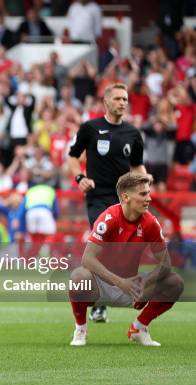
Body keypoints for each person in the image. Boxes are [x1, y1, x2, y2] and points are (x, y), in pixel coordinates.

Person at [69, 172, 184, 346]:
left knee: (175, 282)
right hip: (101, 286)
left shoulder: (151, 223)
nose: (149, 199)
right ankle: (81, 329)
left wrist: (144, 282)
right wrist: (120, 282)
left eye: (148, 193)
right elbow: (87, 259)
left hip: (132, 287)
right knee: (78, 277)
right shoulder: (108, 218)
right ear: (126, 197)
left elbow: (166, 264)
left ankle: (139, 328)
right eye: (143, 194)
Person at [67, 82, 149, 323]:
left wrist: (144, 181)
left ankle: (108, 296)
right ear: (106, 102)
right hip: (98, 196)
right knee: (104, 244)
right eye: (117, 99)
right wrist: (80, 178)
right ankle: (99, 302)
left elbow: (136, 165)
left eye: (125, 99)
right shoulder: (90, 128)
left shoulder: (133, 134)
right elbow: (73, 156)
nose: (122, 102)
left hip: (124, 199)